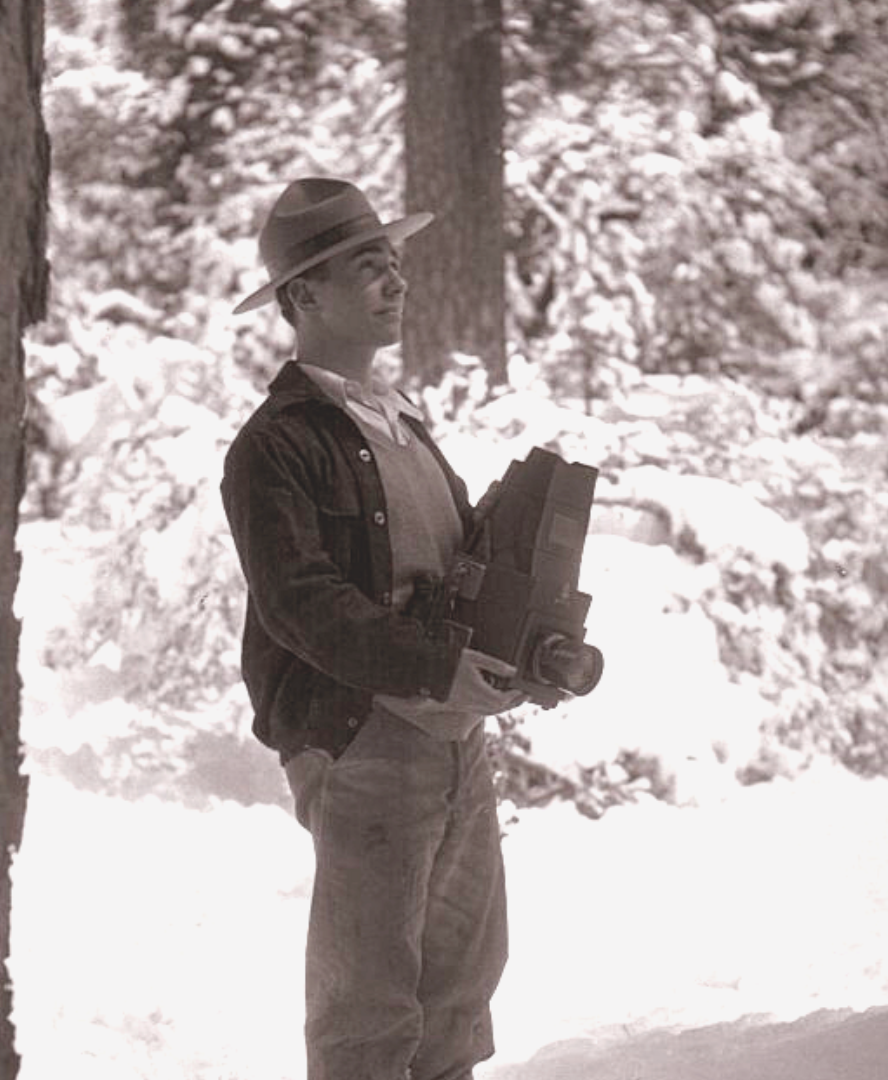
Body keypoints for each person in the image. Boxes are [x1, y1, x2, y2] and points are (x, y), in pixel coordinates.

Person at [220, 177, 522, 1080]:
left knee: (459, 998)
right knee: (369, 1017)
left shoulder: (403, 425)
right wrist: (437, 668)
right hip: (364, 744)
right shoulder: (275, 445)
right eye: (367, 267)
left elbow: (459, 561)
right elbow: (302, 603)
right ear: (302, 298)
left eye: (394, 263)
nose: (396, 281)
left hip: (455, 742)